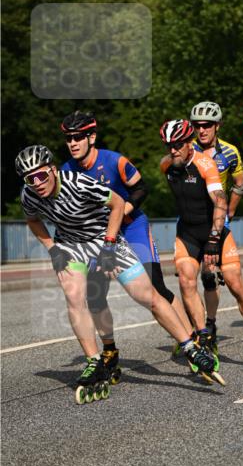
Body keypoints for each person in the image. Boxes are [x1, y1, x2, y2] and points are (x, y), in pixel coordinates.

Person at [16, 145, 222, 401]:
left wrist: (110, 245)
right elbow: (33, 220)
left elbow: (117, 204)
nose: (37, 183)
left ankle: (190, 347)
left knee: (146, 295)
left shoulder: (80, 183)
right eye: (30, 179)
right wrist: (52, 249)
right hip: (70, 244)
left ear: (53, 170)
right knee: (74, 296)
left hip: (105, 236)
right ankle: (94, 361)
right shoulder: (30, 196)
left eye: (41, 176)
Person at [59, 110, 190, 382]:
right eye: (68, 138)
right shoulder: (66, 171)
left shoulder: (114, 160)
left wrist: (121, 215)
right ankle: (109, 351)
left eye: (78, 137)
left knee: (155, 287)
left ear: (91, 137)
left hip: (131, 227)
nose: (72, 143)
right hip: (99, 236)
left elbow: (141, 188)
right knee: (95, 295)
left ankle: (191, 342)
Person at [159, 119, 243, 372]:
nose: (173, 149)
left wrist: (213, 237)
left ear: (189, 143)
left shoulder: (205, 164)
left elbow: (220, 200)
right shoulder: (166, 165)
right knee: (186, 280)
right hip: (187, 232)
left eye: (178, 144)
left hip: (214, 230)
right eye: (168, 145)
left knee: (234, 282)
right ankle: (203, 336)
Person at [190, 101, 243, 346]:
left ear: (217, 126)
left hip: (217, 218)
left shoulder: (231, 152)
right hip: (192, 220)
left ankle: (211, 324)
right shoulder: (187, 149)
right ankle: (200, 326)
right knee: (194, 277)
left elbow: (240, 183)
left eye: (207, 125)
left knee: (220, 277)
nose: (201, 130)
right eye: (197, 126)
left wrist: (231, 210)